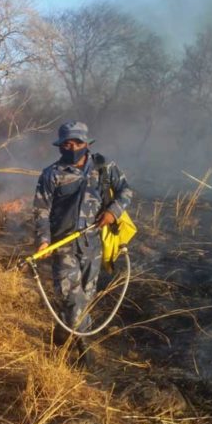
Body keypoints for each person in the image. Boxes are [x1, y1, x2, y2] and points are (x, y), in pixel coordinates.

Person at [32, 120, 133, 366]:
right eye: (67, 143)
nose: (72, 147)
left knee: (86, 296)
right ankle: (83, 350)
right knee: (71, 298)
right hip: (62, 244)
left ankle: (63, 331)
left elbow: (126, 191)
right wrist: (43, 241)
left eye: (77, 142)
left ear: (86, 143)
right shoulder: (51, 174)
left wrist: (113, 211)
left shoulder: (104, 167)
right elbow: (41, 210)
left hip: (93, 244)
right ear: (60, 146)